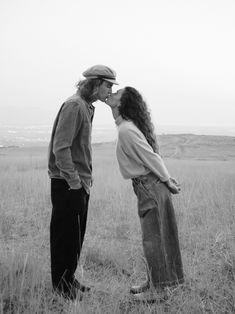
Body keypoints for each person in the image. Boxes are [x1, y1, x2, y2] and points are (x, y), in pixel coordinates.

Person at [106, 86, 184, 299]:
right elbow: (150, 156)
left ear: (124, 104)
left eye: (116, 94)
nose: (111, 94)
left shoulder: (126, 130)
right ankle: (154, 282)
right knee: (154, 236)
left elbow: (151, 157)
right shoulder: (125, 126)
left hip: (149, 186)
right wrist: (165, 178)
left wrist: (167, 180)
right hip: (147, 185)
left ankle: (159, 291)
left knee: (153, 239)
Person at [48, 65, 118, 300]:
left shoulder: (86, 106)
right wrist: (75, 183)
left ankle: (69, 278)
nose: (110, 90)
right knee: (64, 237)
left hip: (78, 183)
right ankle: (61, 287)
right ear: (95, 83)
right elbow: (61, 148)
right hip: (68, 184)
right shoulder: (74, 105)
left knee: (75, 236)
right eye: (108, 85)